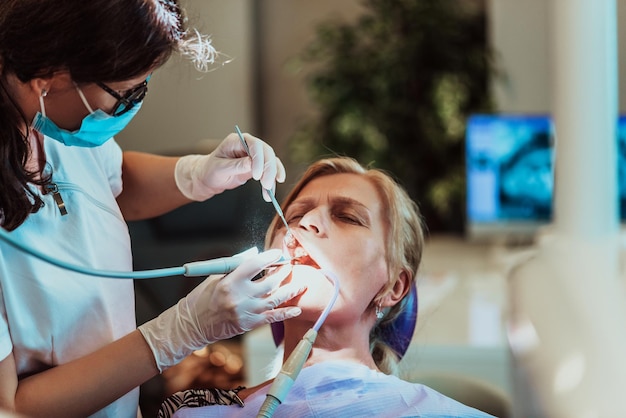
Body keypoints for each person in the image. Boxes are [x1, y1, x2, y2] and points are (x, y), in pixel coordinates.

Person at [0, 1, 306, 417]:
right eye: (123, 94)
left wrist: (198, 175)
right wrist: (174, 335)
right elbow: (11, 407)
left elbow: (108, 186)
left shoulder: (54, 124)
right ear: (50, 78)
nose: (129, 105)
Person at [157, 157, 495, 417]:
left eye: (347, 217)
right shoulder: (194, 410)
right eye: (292, 217)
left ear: (394, 286)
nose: (306, 223)